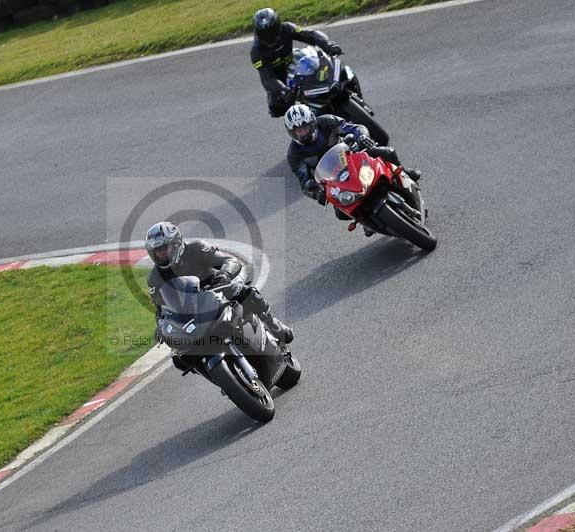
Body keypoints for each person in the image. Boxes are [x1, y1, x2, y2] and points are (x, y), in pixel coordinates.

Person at [145, 222, 293, 369]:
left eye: (164, 248)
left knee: (246, 292)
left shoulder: (196, 248)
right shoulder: (154, 278)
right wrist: (160, 326)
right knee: (179, 357)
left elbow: (230, 261)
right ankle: (214, 372)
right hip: (190, 311)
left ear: (176, 243)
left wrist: (224, 274)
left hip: (218, 288)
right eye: (157, 251)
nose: (161, 254)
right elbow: (160, 309)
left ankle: (273, 325)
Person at [284, 104, 421, 222]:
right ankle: (368, 220)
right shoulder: (294, 154)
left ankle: (403, 172)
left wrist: (362, 136)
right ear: (291, 133)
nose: (302, 133)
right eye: (297, 131)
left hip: (350, 155)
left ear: (312, 122)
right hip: (332, 178)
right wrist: (317, 192)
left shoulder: (327, 121)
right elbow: (304, 181)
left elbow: (354, 128)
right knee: (340, 213)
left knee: (387, 152)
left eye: (305, 128)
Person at [250, 7, 343, 117]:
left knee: (324, 64)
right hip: (278, 78)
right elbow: (267, 77)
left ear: (278, 26)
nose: (269, 38)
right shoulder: (256, 52)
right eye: (264, 34)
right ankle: (313, 120)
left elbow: (309, 35)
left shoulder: (287, 28)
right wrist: (283, 90)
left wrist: (328, 44)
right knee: (276, 108)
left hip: (295, 59)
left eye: (272, 32)